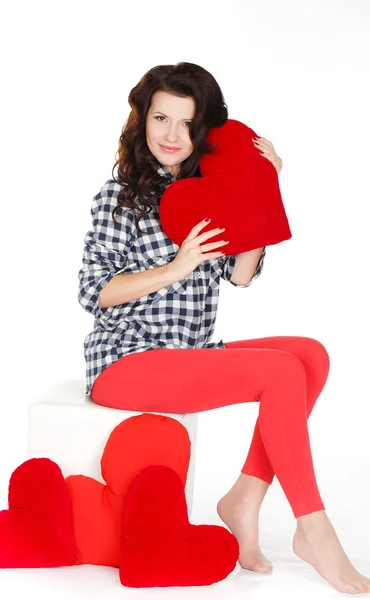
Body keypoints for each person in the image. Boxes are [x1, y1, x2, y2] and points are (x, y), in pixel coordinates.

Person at [78, 62, 370, 594]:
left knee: (309, 356)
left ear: (203, 130)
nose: (171, 135)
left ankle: (244, 499)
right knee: (281, 372)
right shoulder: (118, 196)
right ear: (142, 119)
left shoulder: (207, 191)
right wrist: (173, 269)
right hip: (126, 360)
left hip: (192, 352)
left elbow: (239, 275)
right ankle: (314, 531)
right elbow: (93, 291)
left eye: (186, 124)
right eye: (160, 117)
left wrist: (261, 186)